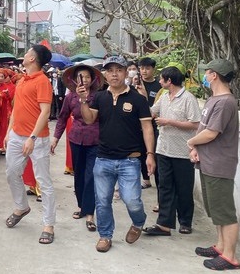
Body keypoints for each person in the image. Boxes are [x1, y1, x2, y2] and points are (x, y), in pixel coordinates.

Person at [77, 55, 156, 253]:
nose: (114, 74)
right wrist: (83, 101)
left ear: (125, 72)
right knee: (102, 201)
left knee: (132, 200)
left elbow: (147, 128)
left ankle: (138, 221)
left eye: (118, 70)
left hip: (130, 160)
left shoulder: (138, 99)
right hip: (103, 158)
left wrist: (150, 154)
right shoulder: (100, 97)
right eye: (110, 70)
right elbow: (89, 119)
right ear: (105, 74)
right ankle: (105, 235)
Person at [187, 59, 240, 270]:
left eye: (207, 73)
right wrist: (195, 148)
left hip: (220, 164)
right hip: (208, 161)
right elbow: (203, 128)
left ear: (214, 75)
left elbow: (211, 133)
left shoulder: (226, 102)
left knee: (225, 212)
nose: (205, 77)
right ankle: (221, 246)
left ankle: (230, 257)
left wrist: (191, 142)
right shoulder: (213, 100)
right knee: (216, 210)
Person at [4, 45, 55, 245]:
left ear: (32, 58)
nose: (23, 56)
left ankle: (48, 224)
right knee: (11, 173)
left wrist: (32, 138)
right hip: (16, 136)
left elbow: (45, 112)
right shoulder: (22, 80)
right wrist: (9, 132)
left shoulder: (43, 81)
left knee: (44, 181)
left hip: (37, 139)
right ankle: (21, 207)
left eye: (26, 53)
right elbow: (16, 108)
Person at [143, 65, 201, 237]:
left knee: (184, 188)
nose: (159, 81)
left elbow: (195, 124)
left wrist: (169, 122)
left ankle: (185, 222)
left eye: (162, 78)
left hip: (183, 151)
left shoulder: (188, 98)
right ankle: (164, 224)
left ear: (169, 81)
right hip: (163, 149)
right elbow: (151, 112)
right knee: (165, 186)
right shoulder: (164, 97)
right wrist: (140, 99)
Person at [51, 63, 102, 232]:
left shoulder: (99, 96)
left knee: (91, 177)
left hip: (95, 140)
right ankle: (82, 206)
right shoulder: (70, 97)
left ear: (92, 79)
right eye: (81, 77)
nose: (84, 80)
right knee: (78, 175)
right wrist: (56, 138)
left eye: (87, 77)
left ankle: (90, 214)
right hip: (76, 139)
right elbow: (62, 117)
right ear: (74, 79)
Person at [137, 57, 162, 189]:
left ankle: (158, 185)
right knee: (139, 154)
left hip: (153, 125)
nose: (144, 71)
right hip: (136, 126)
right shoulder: (134, 85)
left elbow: (157, 108)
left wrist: (146, 97)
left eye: (147, 68)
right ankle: (146, 179)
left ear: (153, 69)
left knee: (153, 155)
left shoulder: (159, 86)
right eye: (141, 68)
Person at [0, 69, 12, 155]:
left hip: (3, 109)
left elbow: (9, 99)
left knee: (3, 127)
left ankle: (3, 146)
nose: (0, 78)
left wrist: (6, 94)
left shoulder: (6, 87)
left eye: (2, 77)